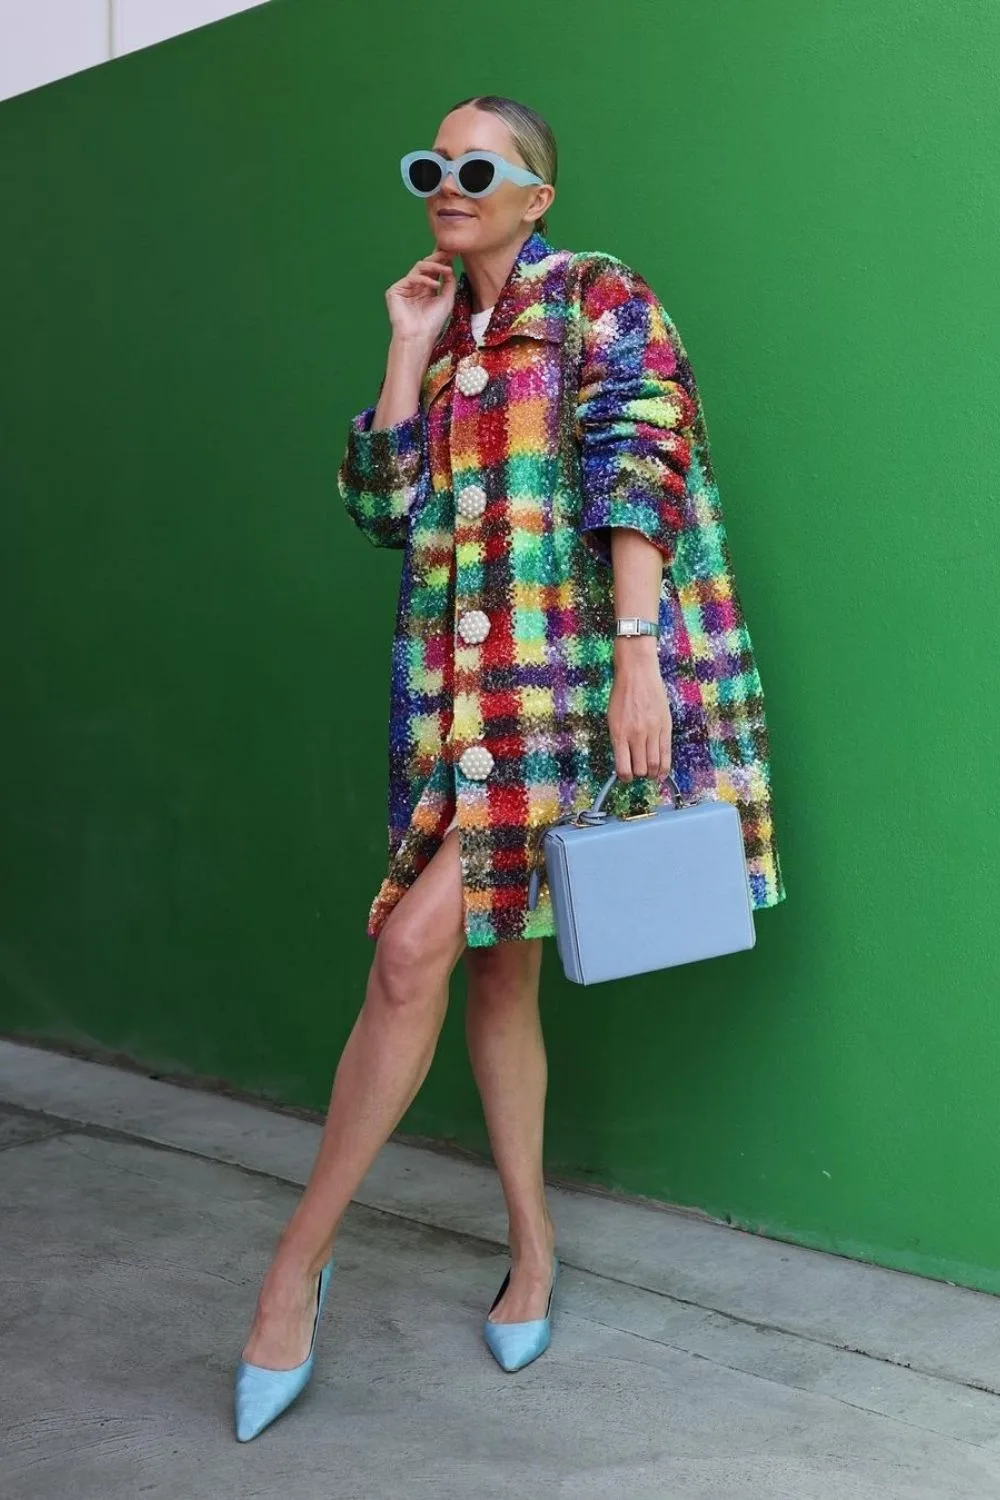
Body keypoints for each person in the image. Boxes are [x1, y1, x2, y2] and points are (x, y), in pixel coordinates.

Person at [234, 93, 785, 1443]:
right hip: (461, 718)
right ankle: (531, 1250)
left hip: (574, 703)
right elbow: (382, 502)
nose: (447, 182)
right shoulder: (456, 329)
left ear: (537, 194)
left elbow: (640, 464)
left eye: (477, 166)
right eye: (432, 164)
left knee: (415, 956)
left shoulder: (601, 296)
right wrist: (407, 346)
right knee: (490, 967)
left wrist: (644, 660)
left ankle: (291, 1274)